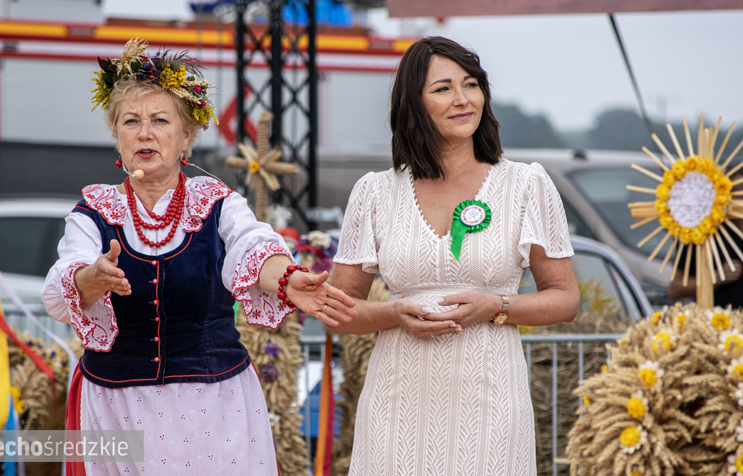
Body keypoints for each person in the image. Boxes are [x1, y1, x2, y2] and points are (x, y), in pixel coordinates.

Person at [41, 38, 355, 476]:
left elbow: (251, 246)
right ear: (117, 136)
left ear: (186, 135)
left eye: (160, 120)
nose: (145, 133)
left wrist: (287, 279)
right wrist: (91, 279)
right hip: (118, 406)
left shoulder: (217, 203)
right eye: (131, 121)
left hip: (213, 405)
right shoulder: (94, 213)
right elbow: (65, 280)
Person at [330, 36, 580, 475]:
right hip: (396, 403)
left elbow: (565, 299)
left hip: (490, 403)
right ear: (414, 103)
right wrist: (393, 314)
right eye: (443, 88)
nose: (463, 99)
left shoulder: (526, 185)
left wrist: (497, 306)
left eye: (471, 84)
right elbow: (339, 310)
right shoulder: (374, 192)